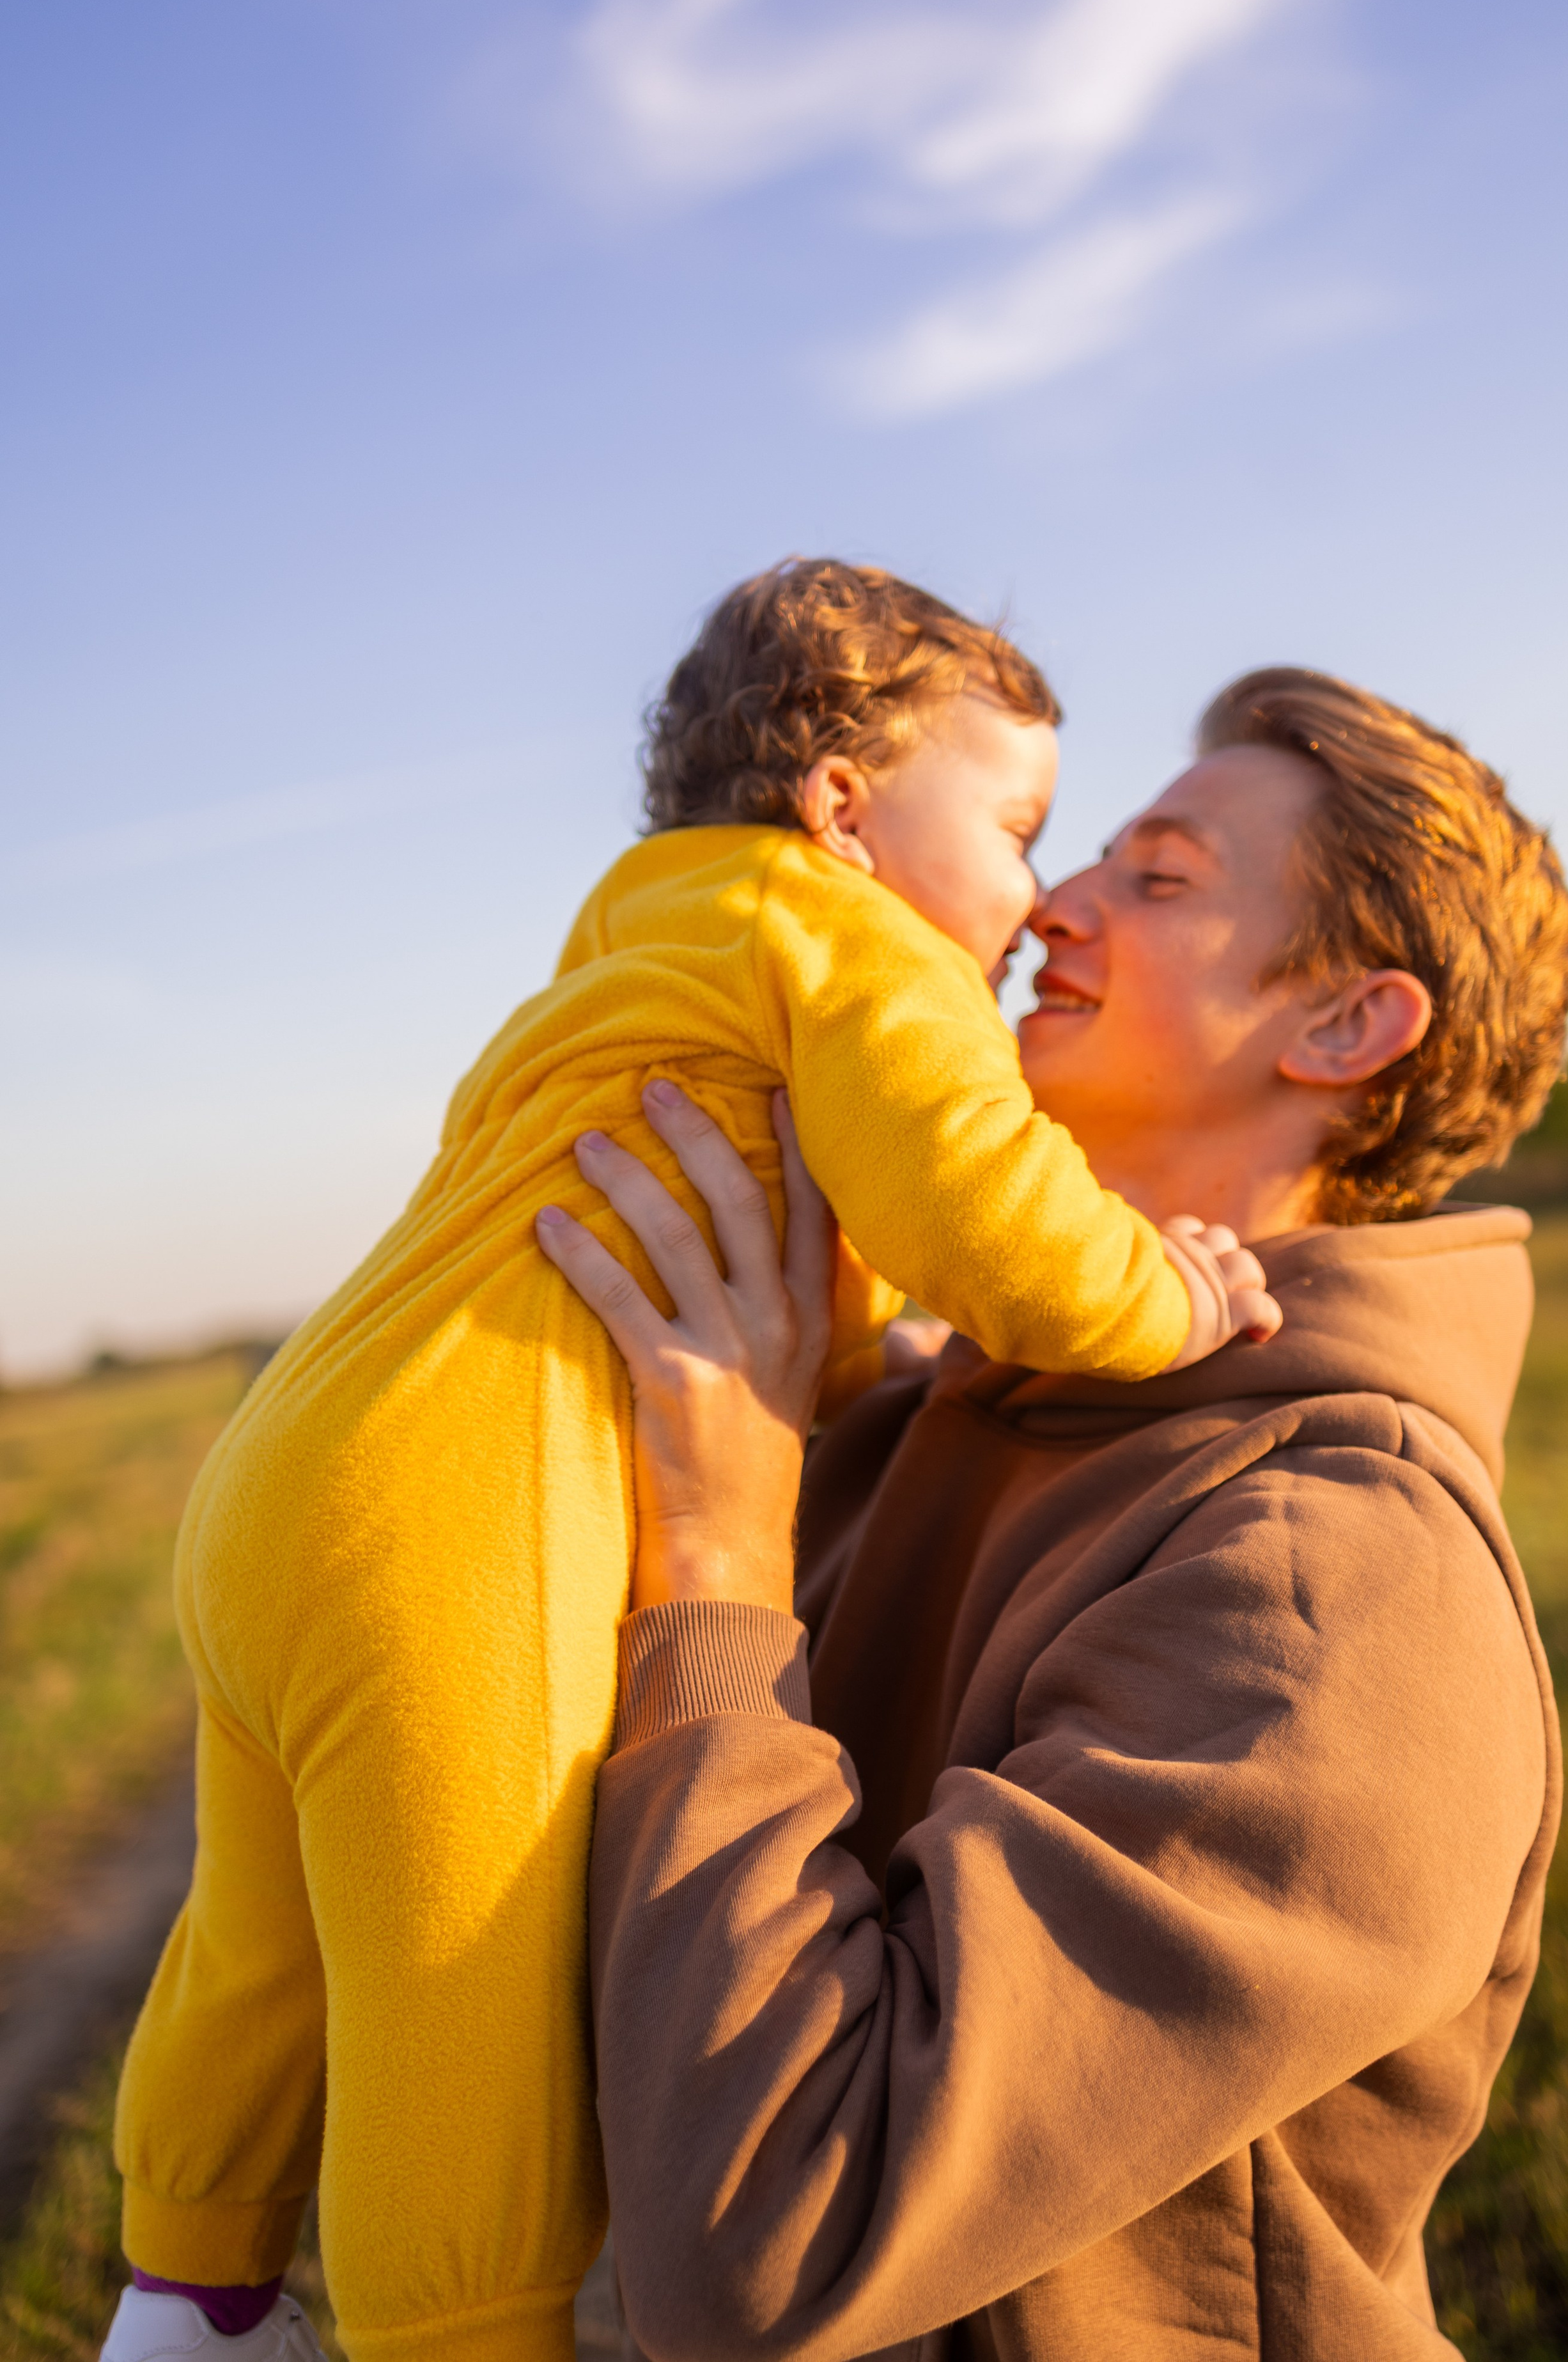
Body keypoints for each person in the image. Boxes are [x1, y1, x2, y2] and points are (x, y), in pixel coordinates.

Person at [104, 565, 1276, 2362]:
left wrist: (856, 1353)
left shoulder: (644, 944)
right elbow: (996, 1217)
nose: (1038, 898)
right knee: (455, 1987)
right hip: (447, 1524)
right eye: (1022, 829)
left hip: (292, 1464)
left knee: (266, 1942)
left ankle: (189, 2283)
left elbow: (766, 1254)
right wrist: (1167, 1298)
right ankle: (461, 2333)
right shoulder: (855, 939)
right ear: (844, 809)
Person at [536, 668, 1568, 2361]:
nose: (1048, 906)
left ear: (1342, 1031)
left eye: (1155, 881)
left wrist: (721, 1572)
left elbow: (780, 2254)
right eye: (1078, 856)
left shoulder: (1337, 1581)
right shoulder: (924, 1412)